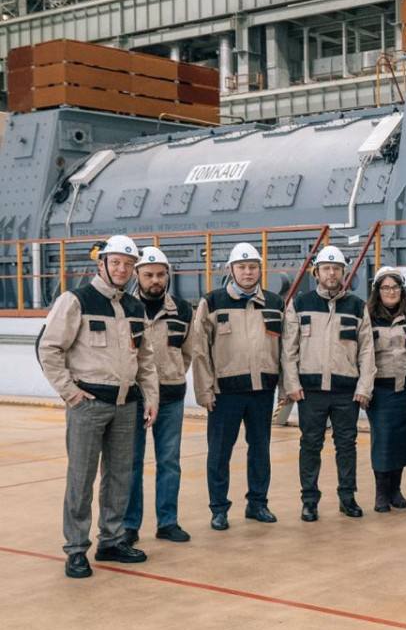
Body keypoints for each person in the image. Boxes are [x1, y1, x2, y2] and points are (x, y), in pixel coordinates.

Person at [39, 235, 158, 578]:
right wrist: (71, 393)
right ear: (101, 263)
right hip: (88, 406)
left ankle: (112, 540)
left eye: (128, 264)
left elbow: (146, 359)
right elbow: (49, 348)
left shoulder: (135, 307)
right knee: (82, 478)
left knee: (120, 477)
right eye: (116, 262)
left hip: (126, 405)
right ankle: (76, 548)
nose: (122, 269)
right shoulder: (76, 300)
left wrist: (151, 398)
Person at [193, 242, 284, 531]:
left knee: (260, 450)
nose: (248, 272)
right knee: (220, 452)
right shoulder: (213, 301)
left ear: (260, 270)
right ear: (231, 270)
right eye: (242, 267)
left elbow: (286, 348)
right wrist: (204, 390)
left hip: (262, 391)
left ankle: (257, 503)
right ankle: (219, 508)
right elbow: (199, 349)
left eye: (253, 267)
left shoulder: (275, 302)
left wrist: (285, 389)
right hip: (224, 394)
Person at [283, 245, 375, 521]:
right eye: (326, 268)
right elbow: (289, 348)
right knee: (310, 445)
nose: (332, 273)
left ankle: (347, 498)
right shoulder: (300, 304)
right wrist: (292, 384)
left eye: (336, 269)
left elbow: (366, 350)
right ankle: (309, 501)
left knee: (346, 446)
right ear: (316, 273)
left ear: (344, 273)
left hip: (346, 392)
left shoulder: (357, 307)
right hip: (310, 392)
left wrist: (364, 387)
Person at [122, 246, 196, 546]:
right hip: (133, 399)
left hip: (171, 398)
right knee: (132, 464)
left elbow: (188, 353)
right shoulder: (124, 307)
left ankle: (167, 522)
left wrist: (172, 374)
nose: (155, 280)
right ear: (137, 275)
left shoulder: (183, 310)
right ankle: (129, 525)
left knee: (169, 462)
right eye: (149, 274)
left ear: (168, 275)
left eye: (160, 275)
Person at [365, 267, 406, 514]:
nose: (391, 292)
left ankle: (396, 490)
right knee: (383, 441)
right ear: (377, 291)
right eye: (385, 287)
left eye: (395, 287)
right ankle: (381, 492)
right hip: (381, 388)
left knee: (403, 440)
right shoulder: (368, 318)